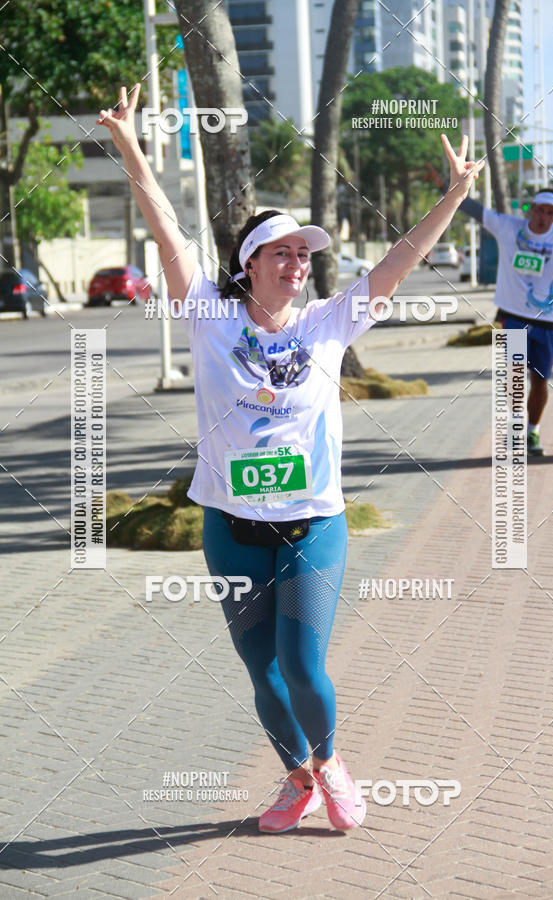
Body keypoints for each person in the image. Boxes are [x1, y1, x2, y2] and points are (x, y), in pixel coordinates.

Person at [98, 85, 483, 833]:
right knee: (261, 671)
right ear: (250, 263)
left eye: (305, 254)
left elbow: (401, 261)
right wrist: (129, 142)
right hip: (230, 527)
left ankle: (330, 762)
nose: (299, 263)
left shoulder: (328, 323)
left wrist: (454, 196)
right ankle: (296, 778)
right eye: (285, 252)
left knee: (303, 666)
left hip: (313, 525)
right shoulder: (208, 315)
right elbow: (164, 221)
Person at [427, 165, 553, 455]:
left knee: (540, 381)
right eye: (540, 210)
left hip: (547, 322)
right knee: (516, 375)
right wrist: (445, 184)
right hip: (514, 317)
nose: (543, 217)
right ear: (531, 209)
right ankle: (516, 428)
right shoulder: (508, 227)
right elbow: (472, 208)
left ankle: (533, 431)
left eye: (550, 213)